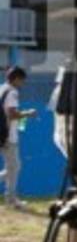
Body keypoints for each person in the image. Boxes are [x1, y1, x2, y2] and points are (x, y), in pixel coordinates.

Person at [1, 66, 37, 209]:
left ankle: (10, 198)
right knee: (14, 167)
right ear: (16, 79)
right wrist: (28, 113)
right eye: (22, 81)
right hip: (8, 135)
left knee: (13, 167)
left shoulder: (2, 88)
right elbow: (11, 114)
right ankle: (11, 200)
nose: (23, 84)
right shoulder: (12, 92)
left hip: (2, 133)